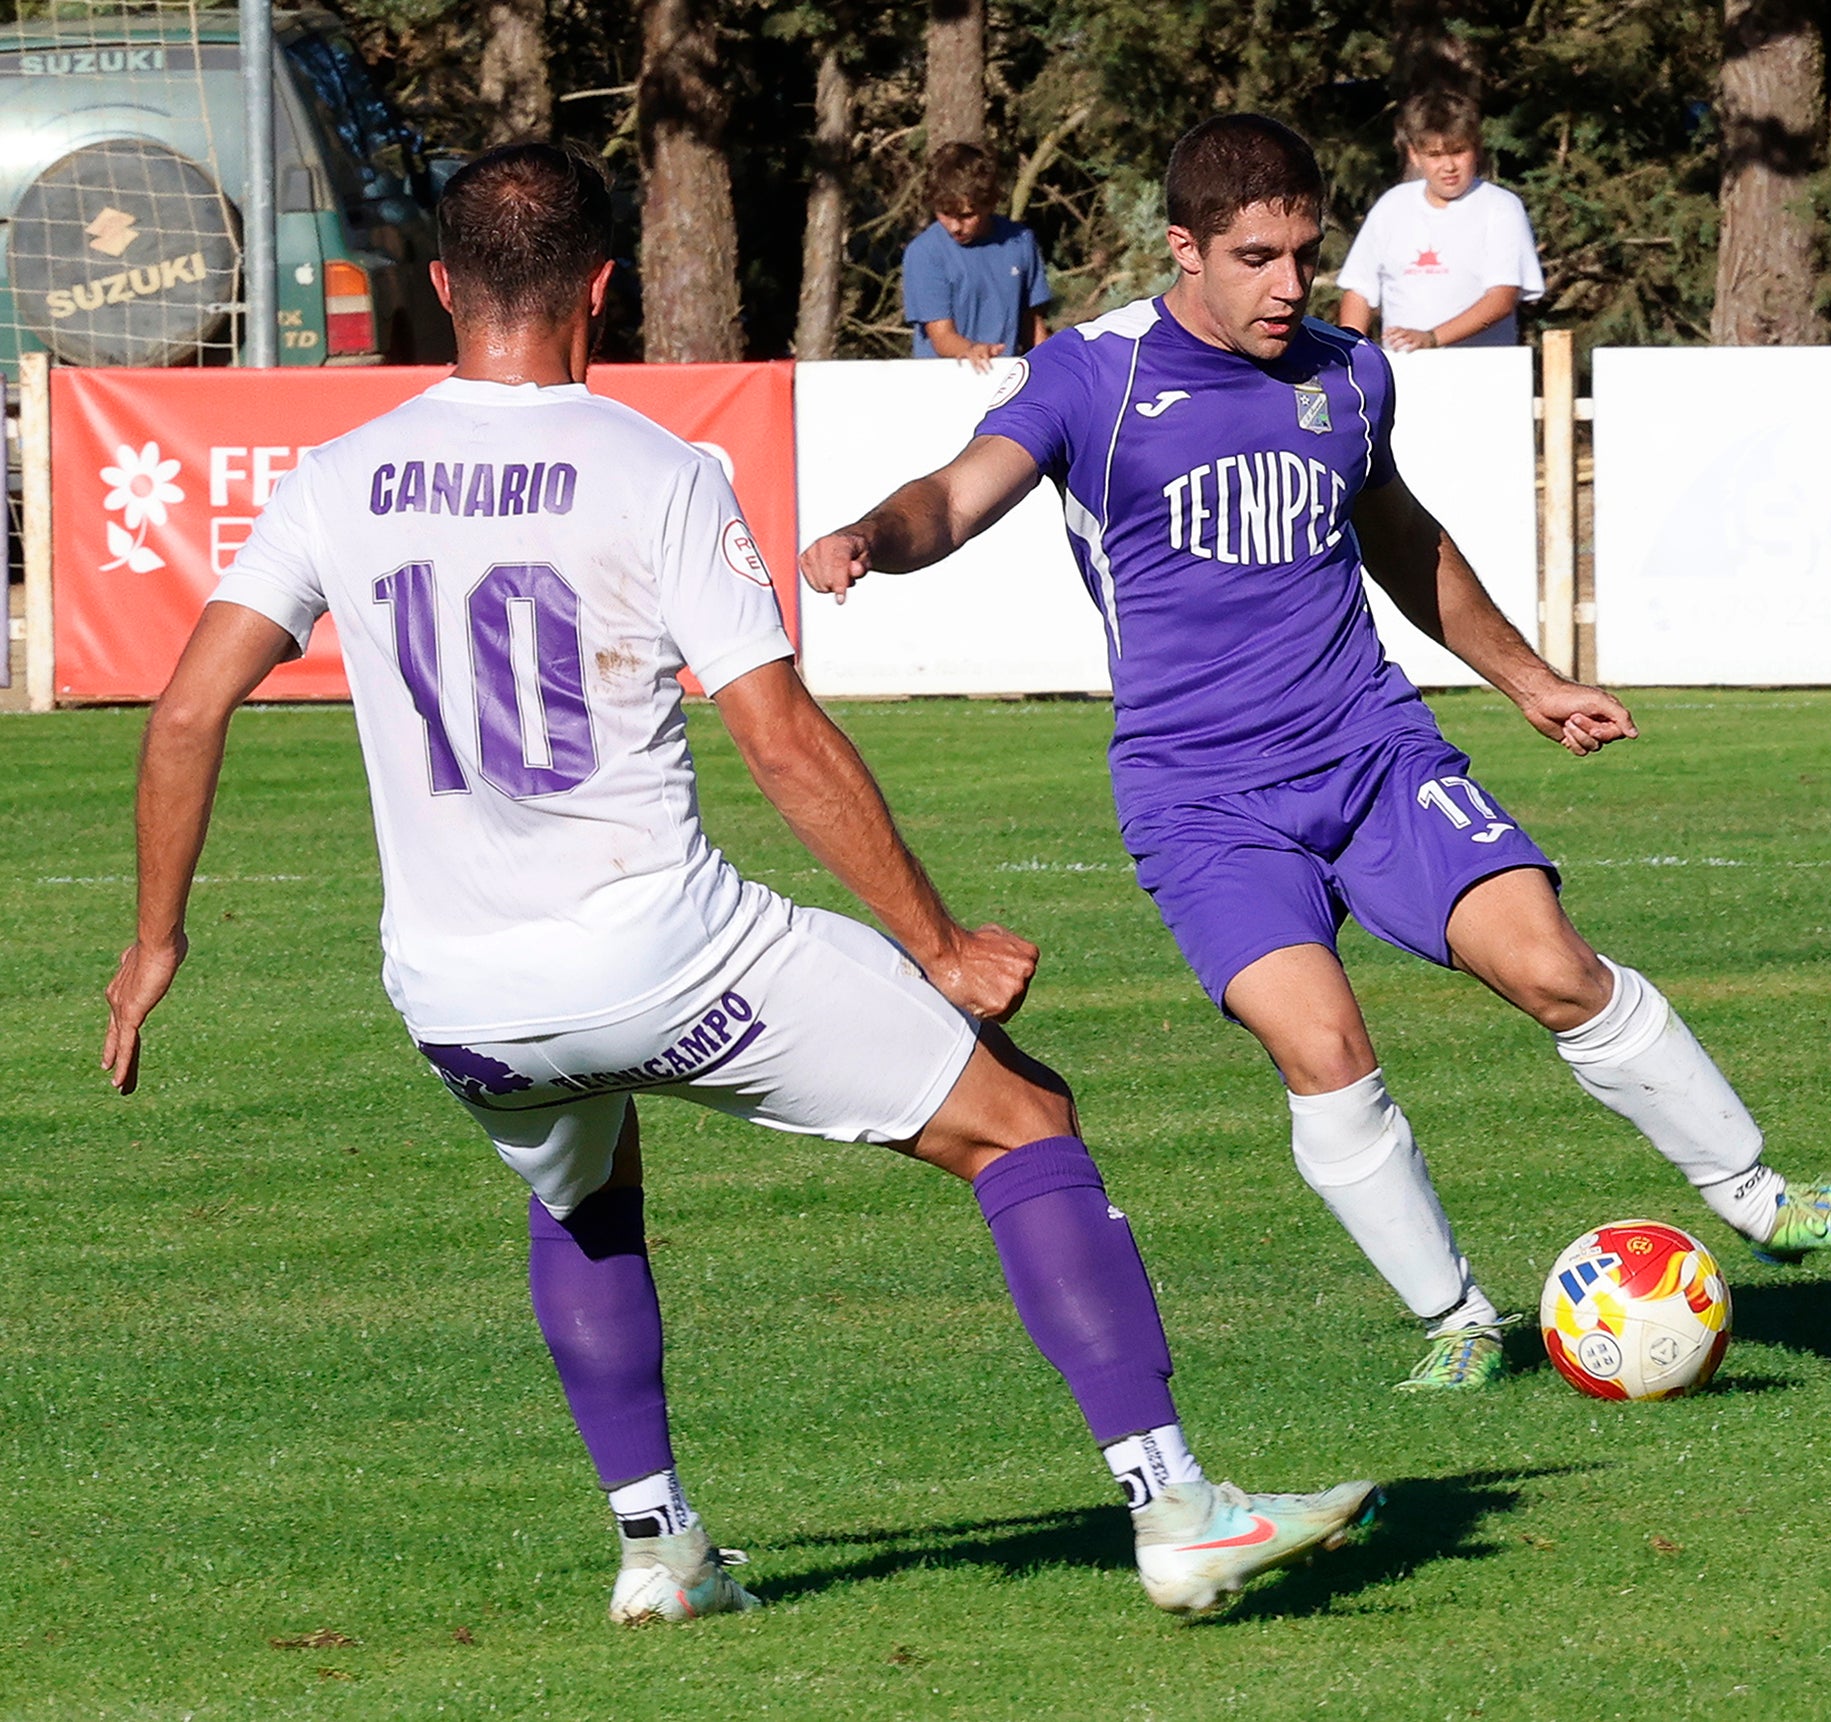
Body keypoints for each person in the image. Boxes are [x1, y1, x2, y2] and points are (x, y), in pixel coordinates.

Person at [98, 142, 1381, 1625]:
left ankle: (658, 1551)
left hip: (461, 1002)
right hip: (667, 957)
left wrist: (153, 943)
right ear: (602, 287)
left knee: (583, 1195)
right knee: (1023, 1118)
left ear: (443, 286)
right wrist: (939, 942)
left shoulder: (332, 478)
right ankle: (1177, 1509)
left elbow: (185, 712)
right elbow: (777, 734)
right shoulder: (655, 467)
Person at [801, 115, 1831, 1394]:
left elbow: (1400, 539)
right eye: (1255, 258)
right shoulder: (1090, 378)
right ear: (1183, 248)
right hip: (1199, 797)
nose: (1289, 284)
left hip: (1370, 751)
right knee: (1323, 1051)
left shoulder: (1347, 374)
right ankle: (1457, 1320)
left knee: (1554, 967)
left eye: (1305, 253)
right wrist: (871, 536)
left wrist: (1529, 682)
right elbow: (952, 496)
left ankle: (1765, 1201)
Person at [1335, 91, 1543, 352]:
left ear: (1476, 148)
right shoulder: (1392, 206)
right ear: (1414, 155)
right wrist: (1351, 355)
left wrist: (1432, 338)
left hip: (1483, 369)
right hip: (1403, 368)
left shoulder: (1501, 207)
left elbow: (1502, 299)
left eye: (1458, 151)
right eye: (1435, 155)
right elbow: (1359, 291)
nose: (1448, 166)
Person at [903, 142, 1052, 371]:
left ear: (990, 203)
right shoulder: (925, 252)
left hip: (1006, 379)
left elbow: (1031, 324)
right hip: (944, 381)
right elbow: (941, 336)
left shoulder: (1021, 242)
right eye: (945, 214)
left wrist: (1051, 366)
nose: (955, 227)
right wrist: (972, 350)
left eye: (966, 216)